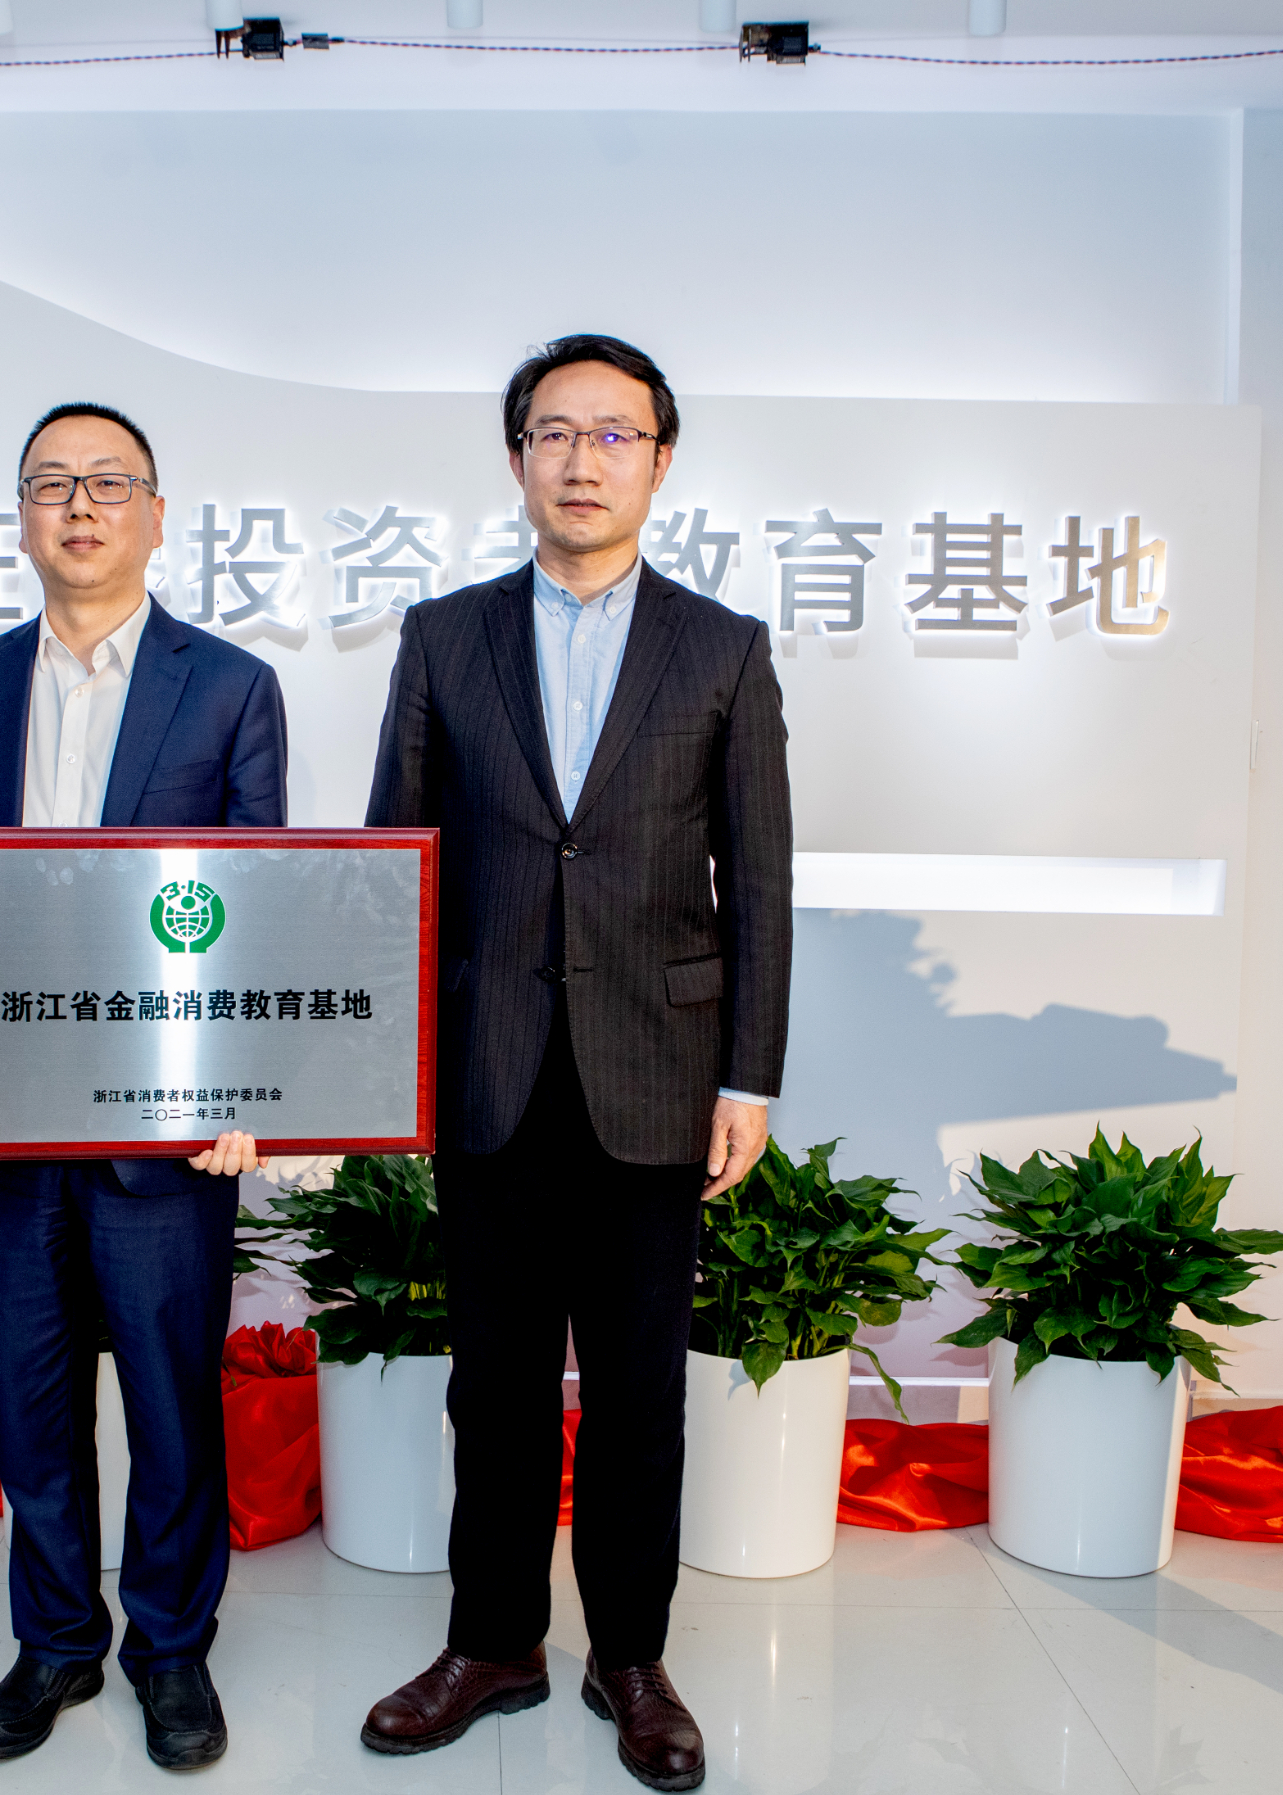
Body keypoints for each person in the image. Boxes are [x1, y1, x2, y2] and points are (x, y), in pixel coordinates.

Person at [358, 336, 792, 1792]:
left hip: (657, 1073)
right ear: (517, 460)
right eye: (555, 433)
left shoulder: (722, 647)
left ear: (660, 463)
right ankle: (492, 1643)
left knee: (637, 1395)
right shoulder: (444, 636)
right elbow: (396, 865)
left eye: (615, 435)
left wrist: (750, 1078)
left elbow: (761, 883)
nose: (583, 460)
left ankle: (631, 1658)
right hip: (487, 1068)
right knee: (492, 1389)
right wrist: (378, 1066)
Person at [0, 401, 287, 1772]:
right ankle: (55, 1642)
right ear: (23, 518)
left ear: (156, 515)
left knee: (171, 1403)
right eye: (52, 483)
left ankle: (172, 1651)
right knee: (36, 1400)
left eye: (110, 482)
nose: (81, 505)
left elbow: (259, 898)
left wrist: (245, 1088)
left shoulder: (227, 686)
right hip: (13, 1107)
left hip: (165, 1121)